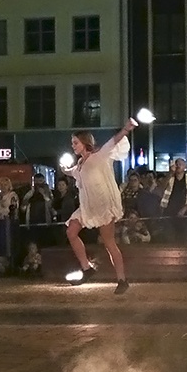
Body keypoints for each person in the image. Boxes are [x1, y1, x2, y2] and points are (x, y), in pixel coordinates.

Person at [62, 119, 137, 294]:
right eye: (72, 143)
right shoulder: (80, 165)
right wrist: (63, 168)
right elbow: (71, 172)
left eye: (75, 143)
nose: (72, 146)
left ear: (85, 143)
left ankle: (122, 280)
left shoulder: (99, 157)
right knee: (71, 232)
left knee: (109, 243)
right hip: (87, 207)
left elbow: (114, 141)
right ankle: (87, 268)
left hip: (104, 207)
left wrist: (126, 128)